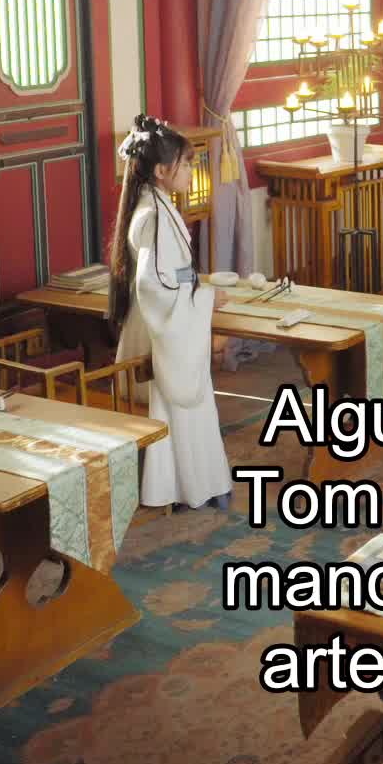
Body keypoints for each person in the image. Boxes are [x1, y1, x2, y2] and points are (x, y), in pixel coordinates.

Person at [108, 115, 233, 512]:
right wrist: (205, 299)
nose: (193, 171)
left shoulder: (153, 206)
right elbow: (152, 286)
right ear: (162, 171)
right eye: (187, 163)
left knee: (185, 410)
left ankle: (191, 485)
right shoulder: (156, 215)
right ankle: (183, 487)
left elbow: (166, 276)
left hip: (160, 324)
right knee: (180, 409)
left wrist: (198, 291)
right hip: (161, 331)